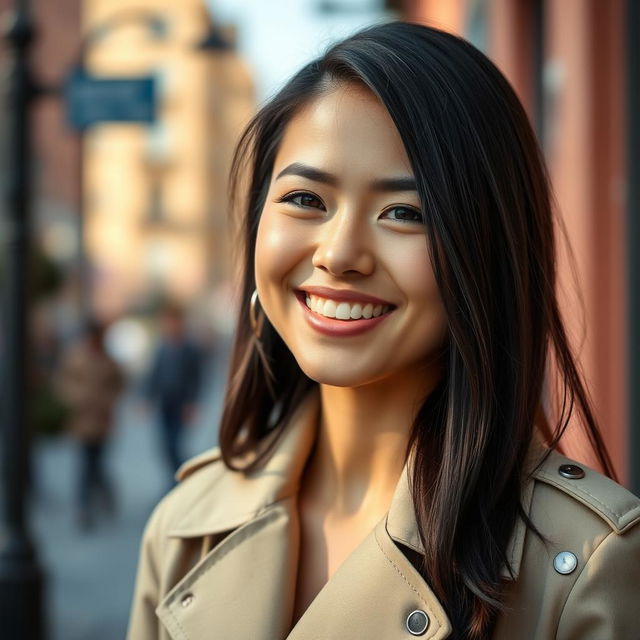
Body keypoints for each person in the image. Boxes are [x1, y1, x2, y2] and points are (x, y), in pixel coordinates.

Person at [128, 22, 640, 639]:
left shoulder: (585, 568)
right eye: (305, 200)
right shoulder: (184, 528)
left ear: (489, 255)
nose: (340, 254)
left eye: (405, 212)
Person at [57, 319, 124, 530]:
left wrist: (108, 400)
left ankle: (105, 492)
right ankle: (83, 507)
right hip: (82, 419)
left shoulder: (109, 361)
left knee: (98, 463)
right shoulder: (75, 358)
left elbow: (120, 384)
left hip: (102, 420)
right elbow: (62, 382)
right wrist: (77, 397)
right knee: (84, 465)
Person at [143, 304, 203, 481]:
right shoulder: (162, 346)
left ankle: (183, 478)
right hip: (164, 401)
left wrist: (192, 403)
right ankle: (177, 478)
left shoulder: (190, 347)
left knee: (174, 444)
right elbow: (154, 373)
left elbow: (196, 378)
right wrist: (146, 397)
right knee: (165, 446)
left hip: (181, 403)